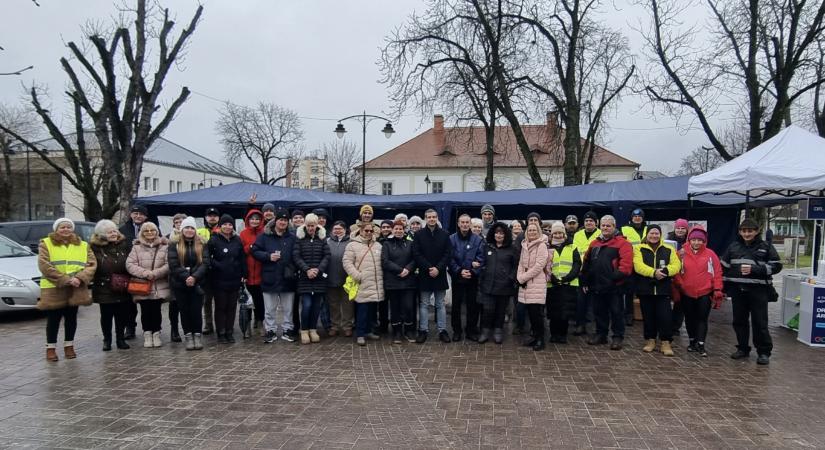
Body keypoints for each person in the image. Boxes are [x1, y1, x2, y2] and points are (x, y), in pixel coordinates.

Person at [721, 218, 782, 365]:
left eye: (750, 231)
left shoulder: (766, 247)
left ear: (756, 231)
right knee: (739, 321)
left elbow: (777, 266)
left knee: (760, 322)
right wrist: (722, 289)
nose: (746, 233)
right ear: (740, 232)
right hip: (738, 291)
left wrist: (755, 269)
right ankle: (742, 348)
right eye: (744, 231)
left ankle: (763, 352)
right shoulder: (733, 247)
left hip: (758, 290)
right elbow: (723, 267)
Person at [38, 218, 97, 361]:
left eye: (68, 227)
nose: (65, 229)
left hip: (76, 287)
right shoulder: (46, 243)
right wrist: (65, 279)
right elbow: (44, 265)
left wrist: (80, 278)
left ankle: (69, 345)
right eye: (62, 227)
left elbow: (92, 264)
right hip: (54, 287)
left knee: (71, 318)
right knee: (54, 319)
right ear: (56, 229)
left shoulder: (83, 245)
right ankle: (50, 348)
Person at [580, 215, 633, 350]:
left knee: (617, 312)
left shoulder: (623, 243)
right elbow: (586, 263)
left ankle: (617, 337)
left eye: (608, 225)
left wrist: (613, 278)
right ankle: (601, 335)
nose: (605, 228)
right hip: (596, 285)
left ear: (614, 227)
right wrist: (585, 280)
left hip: (615, 286)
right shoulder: (594, 243)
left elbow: (626, 266)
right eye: (603, 225)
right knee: (599, 312)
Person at [674, 226, 723, 357]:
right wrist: (680, 283)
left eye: (699, 240)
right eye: (694, 240)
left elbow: (717, 272)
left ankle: (701, 343)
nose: (696, 243)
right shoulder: (681, 253)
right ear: (689, 240)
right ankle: (692, 341)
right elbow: (675, 269)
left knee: (702, 318)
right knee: (689, 318)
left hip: (704, 292)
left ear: (704, 241)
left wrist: (717, 288)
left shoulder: (711, 254)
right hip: (686, 292)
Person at [633, 224, 680, 356]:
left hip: (663, 289)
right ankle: (650, 340)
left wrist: (665, 271)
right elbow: (638, 266)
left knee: (665, 316)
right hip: (645, 289)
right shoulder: (638, 248)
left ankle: (666, 342)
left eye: (656, 233)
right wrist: (654, 273)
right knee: (648, 317)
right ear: (646, 235)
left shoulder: (668, 249)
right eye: (651, 233)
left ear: (660, 235)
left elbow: (676, 265)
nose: (654, 236)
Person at [252, 208, 298, 343]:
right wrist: (268, 256)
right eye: (280, 220)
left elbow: (297, 255)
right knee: (270, 308)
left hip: (287, 278)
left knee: (288, 308)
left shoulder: (292, 237)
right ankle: (270, 331)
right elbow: (255, 251)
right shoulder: (264, 236)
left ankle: (287, 330)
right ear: (275, 221)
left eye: (285, 220)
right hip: (270, 277)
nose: (282, 222)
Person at [168, 217, 210, 350]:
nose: (189, 230)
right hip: (180, 284)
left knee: (196, 311)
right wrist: (187, 277)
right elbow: (173, 264)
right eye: (187, 227)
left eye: (192, 228)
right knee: (184, 311)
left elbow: (205, 263)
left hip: (197, 284)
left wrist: (194, 277)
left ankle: (197, 336)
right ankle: (188, 336)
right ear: (182, 230)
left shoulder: (202, 244)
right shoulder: (173, 245)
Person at [126, 222, 170, 348]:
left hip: (158, 284)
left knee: (156, 310)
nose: (150, 233)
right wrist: (145, 273)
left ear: (157, 232)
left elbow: (168, 264)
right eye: (146, 231)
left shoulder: (164, 246)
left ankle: (156, 333)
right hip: (143, 284)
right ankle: (147, 334)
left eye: (152, 230)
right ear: (142, 233)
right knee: (145, 311)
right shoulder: (136, 247)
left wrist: (156, 273)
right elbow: (130, 264)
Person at [90, 220, 132, 351]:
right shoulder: (95, 247)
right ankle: (107, 340)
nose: (113, 234)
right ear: (102, 234)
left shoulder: (124, 244)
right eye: (109, 232)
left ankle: (120, 339)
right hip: (104, 285)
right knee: (106, 315)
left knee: (122, 314)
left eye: (114, 231)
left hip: (122, 284)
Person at [413, 208, 453, 344]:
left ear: (437, 218)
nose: (431, 219)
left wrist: (438, 268)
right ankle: (423, 330)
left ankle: (442, 330)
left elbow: (448, 253)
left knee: (440, 304)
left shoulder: (444, 234)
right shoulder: (418, 235)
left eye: (434, 217)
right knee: (424, 304)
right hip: (425, 274)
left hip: (439, 274)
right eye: (429, 217)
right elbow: (416, 254)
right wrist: (429, 267)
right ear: (425, 218)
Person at [343, 222, 384, 346]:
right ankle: (360, 334)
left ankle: (368, 331)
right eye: (366, 231)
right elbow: (347, 262)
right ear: (360, 231)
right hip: (362, 282)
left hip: (376, 283)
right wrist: (357, 275)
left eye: (371, 231)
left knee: (372, 310)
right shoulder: (352, 245)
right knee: (362, 309)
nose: (369, 233)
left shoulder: (378, 245)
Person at [208, 214, 247, 344]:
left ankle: (229, 331)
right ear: (220, 226)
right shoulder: (214, 240)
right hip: (219, 279)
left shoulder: (237, 240)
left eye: (230, 224)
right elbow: (208, 258)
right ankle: (221, 332)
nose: (227, 227)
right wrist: (218, 265)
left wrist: (244, 274)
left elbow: (242, 258)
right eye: (225, 224)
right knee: (221, 306)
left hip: (234, 279)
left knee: (232, 307)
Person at [478, 222, 519, 344]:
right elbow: (481, 262)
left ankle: (498, 331)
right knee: (487, 310)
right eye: (497, 233)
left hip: (504, 286)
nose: (499, 235)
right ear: (493, 234)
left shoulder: (512, 249)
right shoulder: (487, 247)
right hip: (488, 285)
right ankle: (485, 332)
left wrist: (510, 278)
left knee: (501, 311)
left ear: (505, 234)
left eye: (501, 233)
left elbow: (516, 266)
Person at [293, 213, 330, 344]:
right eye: (308, 225)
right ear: (305, 225)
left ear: (317, 225)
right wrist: (307, 269)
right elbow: (296, 256)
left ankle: (313, 329)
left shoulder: (322, 238)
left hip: (319, 278)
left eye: (313, 225)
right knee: (307, 305)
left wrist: (318, 270)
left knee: (316, 306)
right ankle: (304, 330)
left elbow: (327, 256)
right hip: (305, 277)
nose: (310, 228)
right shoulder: (299, 239)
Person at [448, 214, 486, 342]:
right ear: (458, 224)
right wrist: (459, 271)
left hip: (472, 278)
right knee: (456, 306)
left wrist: (473, 271)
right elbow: (450, 258)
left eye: (467, 222)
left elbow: (481, 259)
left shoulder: (478, 240)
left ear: (470, 224)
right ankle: (457, 331)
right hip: (457, 277)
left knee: (472, 306)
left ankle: (471, 330)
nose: (464, 224)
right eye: (462, 222)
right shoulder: (451, 239)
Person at [381, 220, 417, 343]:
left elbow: (415, 259)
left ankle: (408, 330)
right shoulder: (387, 244)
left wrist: (408, 269)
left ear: (404, 230)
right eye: (396, 229)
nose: (398, 231)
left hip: (408, 281)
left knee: (408, 307)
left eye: (400, 229)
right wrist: (399, 270)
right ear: (392, 230)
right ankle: (397, 331)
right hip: (393, 281)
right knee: (395, 308)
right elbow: (385, 261)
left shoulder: (410, 243)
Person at [516, 222, 550, 351]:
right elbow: (521, 263)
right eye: (530, 230)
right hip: (525, 284)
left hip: (536, 283)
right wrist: (519, 277)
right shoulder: (524, 245)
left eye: (534, 230)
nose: (532, 232)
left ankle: (541, 339)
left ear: (539, 232)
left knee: (537, 314)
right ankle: (535, 337)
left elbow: (539, 266)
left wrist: (523, 277)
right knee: (530, 313)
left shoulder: (542, 245)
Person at [547, 222, 581, 344]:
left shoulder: (573, 246)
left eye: (560, 232)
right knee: (553, 311)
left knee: (565, 312)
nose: (557, 235)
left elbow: (577, 264)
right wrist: (552, 277)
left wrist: (568, 278)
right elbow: (545, 266)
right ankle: (554, 334)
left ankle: (562, 335)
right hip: (552, 284)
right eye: (555, 233)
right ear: (552, 234)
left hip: (568, 284)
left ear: (564, 233)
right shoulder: (547, 247)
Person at [119, 205, 150, 340]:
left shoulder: (151, 228)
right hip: (128, 271)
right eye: (135, 213)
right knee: (128, 304)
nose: (138, 216)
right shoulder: (122, 230)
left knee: (146, 302)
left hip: (145, 271)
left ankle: (147, 329)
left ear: (145, 216)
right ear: (131, 215)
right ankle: (130, 327)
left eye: (141, 214)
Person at [572, 211, 600, 336]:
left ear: (596, 222)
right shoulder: (578, 234)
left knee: (596, 302)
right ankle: (580, 325)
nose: (589, 223)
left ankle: (595, 328)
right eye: (587, 221)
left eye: (591, 221)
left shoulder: (601, 234)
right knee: (580, 301)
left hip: (596, 273)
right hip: (581, 272)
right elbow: (575, 252)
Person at [619, 208, 647, 326]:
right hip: (630, 264)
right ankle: (628, 315)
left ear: (643, 218)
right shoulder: (624, 230)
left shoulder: (648, 229)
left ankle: (645, 314)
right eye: (635, 216)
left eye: (639, 216)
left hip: (645, 265)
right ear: (631, 218)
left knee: (644, 291)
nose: (637, 218)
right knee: (629, 292)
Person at [240, 209, 265, 337]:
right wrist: (250, 247)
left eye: (257, 219)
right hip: (248, 272)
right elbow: (240, 252)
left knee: (260, 301)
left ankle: (260, 322)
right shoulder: (243, 234)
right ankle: (247, 325)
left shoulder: (264, 233)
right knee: (248, 302)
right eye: (252, 219)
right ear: (248, 220)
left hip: (261, 273)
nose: (254, 221)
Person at [327, 220, 354, 336]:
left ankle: (347, 326)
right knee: (333, 304)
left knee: (348, 304)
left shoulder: (351, 242)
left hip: (347, 278)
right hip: (331, 276)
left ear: (345, 230)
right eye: (335, 229)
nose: (337, 231)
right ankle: (335, 326)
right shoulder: (327, 241)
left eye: (340, 229)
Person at [198, 207, 220, 335]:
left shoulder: (224, 230)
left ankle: (220, 324)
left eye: (215, 216)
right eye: (209, 215)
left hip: (219, 271)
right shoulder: (199, 231)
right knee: (206, 300)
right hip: (205, 272)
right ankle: (208, 324)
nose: (212, 217)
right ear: (206, 218)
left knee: (220, 300)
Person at [165, 213, 187, 342]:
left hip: (190, 275)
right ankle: (174, 330)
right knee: (174, 304)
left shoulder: (193, 237)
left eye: (182, 221)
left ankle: (188, 329)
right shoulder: (168, 238)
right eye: (177, 222)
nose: (179, 224)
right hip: (174, 275)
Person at [668, 218, 689, 335]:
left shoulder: (692, 241)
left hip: (684, 275)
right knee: (667, 301)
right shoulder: (668, 240)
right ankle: (666, 323)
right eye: (678, 228)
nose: (680, 231)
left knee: (680, 302)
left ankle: (675, 326)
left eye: (683, 228)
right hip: (671, 275)